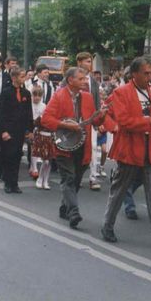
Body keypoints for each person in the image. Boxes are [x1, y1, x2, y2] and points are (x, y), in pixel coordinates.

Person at [100, 57, 151, 252]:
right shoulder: (121, 92)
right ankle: (107, 226)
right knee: (118, 192)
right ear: (134, 74)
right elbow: (124, 122)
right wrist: (150, 120)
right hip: (130, 151)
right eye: (146, 73)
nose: (150, 77)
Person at [41, 67, 108, 229]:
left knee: (76, 180)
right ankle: (74, 212)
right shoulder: (58, 96)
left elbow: (95, 121)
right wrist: (66, 125)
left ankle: (65, 208)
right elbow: (46, 119)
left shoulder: (87, 97)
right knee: (69, 179)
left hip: (82, 146)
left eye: (85, 79)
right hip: (64, 145)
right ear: (70, 80)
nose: (86, 81)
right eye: (81, 79)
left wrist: (102, 116)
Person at [0, 67, 33, 194]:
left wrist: (29, 129)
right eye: (21, 76)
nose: (24, 79)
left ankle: (15, 183)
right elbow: (1, 113)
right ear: (14, 78)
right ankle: (7, 182)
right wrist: (3, 131)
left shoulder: (26, 93)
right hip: (8, 129)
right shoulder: (6, 92)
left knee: (17, 155)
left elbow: (29, 112)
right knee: (8, 156)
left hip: (20, 129)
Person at [76, 52, 105, 191]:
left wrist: (99, 121)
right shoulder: (72, 77)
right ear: (79, 62)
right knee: (77, 148)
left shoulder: (93, 81)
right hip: (76, 120)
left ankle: (93, 177)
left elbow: (97, 102)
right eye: (87, 61)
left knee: (93, 147)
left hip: (90, 119)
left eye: (90, 61)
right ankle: (78, 176)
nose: (90, 64)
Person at [31, 86, 54, 189]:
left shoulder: (44, 106)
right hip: (37, 132)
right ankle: (35, 170)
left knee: (48, 160)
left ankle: (45, 180)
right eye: (34, 95)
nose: (36, 97)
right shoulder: (29, 105)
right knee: (38, 154)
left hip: (48, 135)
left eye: (39, 95)